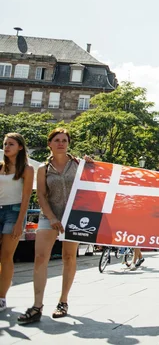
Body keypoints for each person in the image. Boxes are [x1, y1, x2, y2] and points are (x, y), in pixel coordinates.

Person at [18, 128, 93, 324]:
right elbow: (41, 195)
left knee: (69, 256)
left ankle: (63, 301)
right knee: (40, 257)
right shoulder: (43, 168)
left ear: (69, 144)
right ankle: (37, 305)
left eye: (65, 140)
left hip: (74, 216)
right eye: (57, 140)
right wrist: (51, 217)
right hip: (49, 215)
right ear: (49, 144)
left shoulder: (78, 165)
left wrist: (92, 166)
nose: (61, 143)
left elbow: (92, 184)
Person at [0, 133, 34, 312]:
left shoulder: (27, 170)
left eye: (11, 144)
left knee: (6, 257)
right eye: (5, 144)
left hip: (14, 212)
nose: (6, 147)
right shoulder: (0, 167)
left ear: (20, 147)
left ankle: (1, 297)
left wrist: (20, 221)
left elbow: (26, 198)